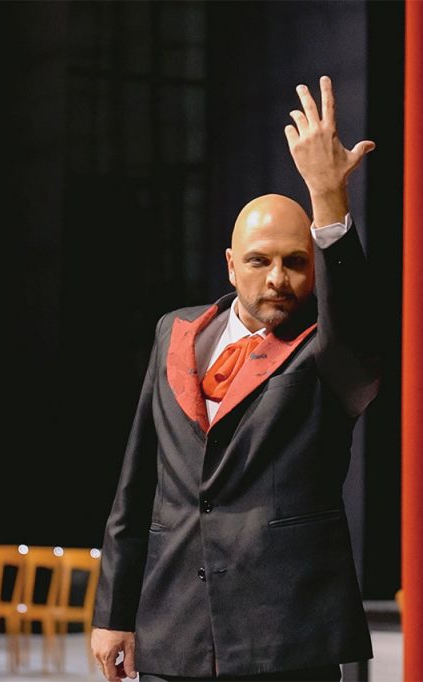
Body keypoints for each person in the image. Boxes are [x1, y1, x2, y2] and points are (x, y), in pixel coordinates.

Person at [91, 75, 379, 682]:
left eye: (296, 263)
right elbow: (136, 485)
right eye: (259, 260)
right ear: (230, 265)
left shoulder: (326, 350)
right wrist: (115, 611)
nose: (277, 278)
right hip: (175, 628)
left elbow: (357, 334)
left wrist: (328, 202)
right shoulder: (175, 332)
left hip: (285, 637)